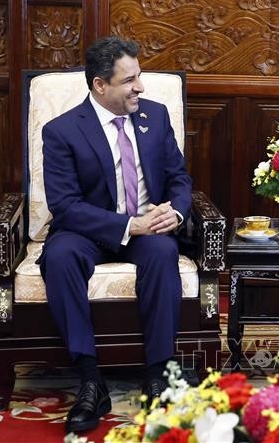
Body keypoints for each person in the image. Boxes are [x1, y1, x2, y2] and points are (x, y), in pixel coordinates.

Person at [38, 36, 195, 434]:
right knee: (59, 256)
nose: (140, 87)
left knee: (163, 253)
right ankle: (90, 379)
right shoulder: (62, 131)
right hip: (87, 231)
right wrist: (127, 225)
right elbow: (65, 205)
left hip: (147, 229)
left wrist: (175, 211)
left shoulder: (155, 116)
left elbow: (178, 178)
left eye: (138, 76)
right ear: (99, 85)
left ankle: (157, 374)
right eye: (129, 80)